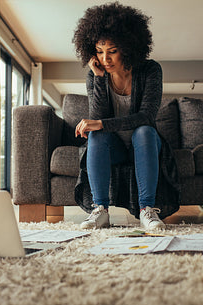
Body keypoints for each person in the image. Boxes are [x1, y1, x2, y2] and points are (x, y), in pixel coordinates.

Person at [72, 2, 180, 230]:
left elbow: (146, 117)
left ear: (128, 48)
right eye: (99, 52)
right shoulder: (95, 74)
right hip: (114, 149)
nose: (105, 59)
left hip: (143, 145)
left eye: (112, 51)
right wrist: (100, 78)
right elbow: (98, 115)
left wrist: (101, 123)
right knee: (97, 136)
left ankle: (147, 210)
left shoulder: (150, 70)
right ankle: (100, 210)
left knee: (144, 131)